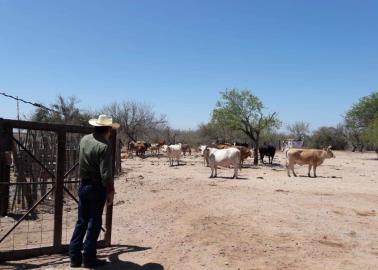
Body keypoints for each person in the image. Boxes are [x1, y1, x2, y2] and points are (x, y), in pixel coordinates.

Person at [69, 115, 119, 268]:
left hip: (83, 185)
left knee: (81, 221)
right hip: (97, 187)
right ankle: (89, 259)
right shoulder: (104, 146)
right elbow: (106, 173)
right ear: (108, 130)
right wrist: (110, 190)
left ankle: (74, 257)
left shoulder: (85, 140)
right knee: (94, 223)